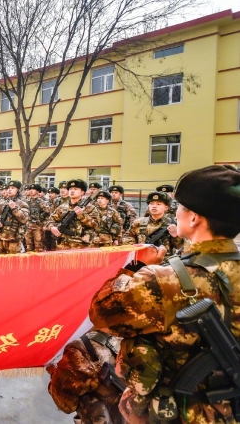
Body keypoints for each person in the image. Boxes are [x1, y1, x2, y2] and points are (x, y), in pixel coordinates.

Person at [89, 165, 240, 423]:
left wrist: (137, 267)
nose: (175, 213)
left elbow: (101, 313)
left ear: (194, 218)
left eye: (179, 207)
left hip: (181, 412)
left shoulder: (162, 280)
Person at [122, 191, 183, 260]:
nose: (154, 206)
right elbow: (128, 236)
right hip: (141, 260)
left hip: (164, 263)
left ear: (166, 207)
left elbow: (181, 247)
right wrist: (136, 247)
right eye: (151, 203)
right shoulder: (139, 222)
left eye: (158, 204)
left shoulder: (174, 224)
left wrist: (176, 236)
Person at [46, 179, 99, 250]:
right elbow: (50, 220)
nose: (72, 191)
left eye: (76, 189)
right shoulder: (62, 207)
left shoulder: (90, 208)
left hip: (82, 246)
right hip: (63, 245)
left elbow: (96, 225)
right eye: (70, 189)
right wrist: (52, 227)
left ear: (82, 192)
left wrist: (82, 215)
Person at [0, 181, 29, 254]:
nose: (9, 190)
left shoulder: (22, 203)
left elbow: (24, 219)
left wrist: (14, 208)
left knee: (13, 258)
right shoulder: (3, 203)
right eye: (9, 188)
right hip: (1, 235)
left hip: (14, 236)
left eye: (12, 188)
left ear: (18, 190)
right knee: (2, 257)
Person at [24, 183, 51, 253]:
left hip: (38, 227)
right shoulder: (27, 201)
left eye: (33, 189)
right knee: (28, 246)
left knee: (38, 246)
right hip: (28, 226)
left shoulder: (41, 202)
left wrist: (45, 224)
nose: (31, 191)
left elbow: (48, 212)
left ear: (37, 191)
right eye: (30, 189)